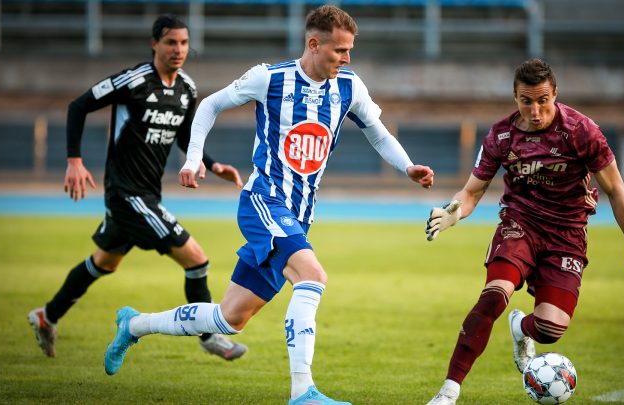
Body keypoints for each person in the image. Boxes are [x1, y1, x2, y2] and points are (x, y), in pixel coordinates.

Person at [101, 5, 434, 405]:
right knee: (312, 277)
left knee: (230, 317)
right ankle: (303, 391)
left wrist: (409, 166)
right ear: (314, 43)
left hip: (299, 216)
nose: (347, 58)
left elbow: (379, 135)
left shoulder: (349, 87)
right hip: (263, 201)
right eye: (340, 51)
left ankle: (134, 324)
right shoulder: (270, 77)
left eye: (349, 51)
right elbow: (208, 106)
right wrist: (192, 160)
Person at [422, 58, 624, 404]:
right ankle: (448, 391)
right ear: (515, 97)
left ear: (555, 95)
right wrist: (453, 212)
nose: (535, 111)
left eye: (542, 100)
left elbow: (616, 191)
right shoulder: (501, 135)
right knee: (493, 296)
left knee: (551, 329)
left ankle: (521, 328)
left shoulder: (581, 131)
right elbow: (472, 191)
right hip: (520, 224)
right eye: (526, 101)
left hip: (566, 232)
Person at [27, 14, 248, 362]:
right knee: (197, 259)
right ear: (154, 44)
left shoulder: (187, 89)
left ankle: (47, 316)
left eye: (184, 43)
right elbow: (79, 105)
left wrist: (211, 162)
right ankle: (209, 336)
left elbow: (186, 135)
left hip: (147, 195)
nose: (179, 50)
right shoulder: (135, 81)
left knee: (104, 263)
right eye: (171, 42)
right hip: (126, 194)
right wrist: (74, 160)